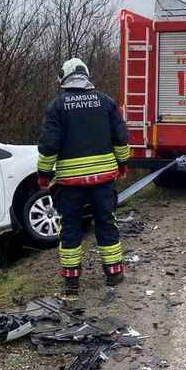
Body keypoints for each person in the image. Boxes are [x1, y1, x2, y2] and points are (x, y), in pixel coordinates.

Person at [38, 57, 130, 301]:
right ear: (87, 76)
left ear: (64, 78)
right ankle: (113, 273)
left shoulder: (56, 106)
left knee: (70, 228)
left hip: (69, 183)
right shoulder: (106, 102)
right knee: (105, 222)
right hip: (103, 180)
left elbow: (49, 145)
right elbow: (120, 137)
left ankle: (71, 283)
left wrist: (44, 174)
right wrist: (123, 164)